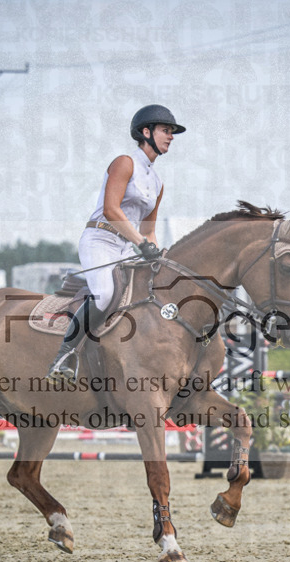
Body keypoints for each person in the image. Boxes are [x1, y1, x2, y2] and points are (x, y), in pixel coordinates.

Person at [47, 104, 186, 380]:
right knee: (106, 294)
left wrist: (157, 254)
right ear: (146, 132)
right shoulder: (125, 163)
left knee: (150, 293)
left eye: (172, 132)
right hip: (100, 240)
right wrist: (141, 244)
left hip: (126, 248)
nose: (171, 136)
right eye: (165, 131)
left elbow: (148, 230)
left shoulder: (157, 183)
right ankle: (64, 354)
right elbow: (112, 210)